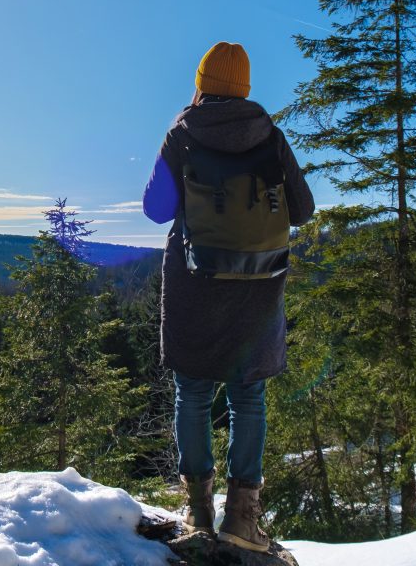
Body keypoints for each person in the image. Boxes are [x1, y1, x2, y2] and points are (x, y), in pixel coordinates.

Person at [143, 41, 314, 551]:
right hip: (259, 286)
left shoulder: (183, 132)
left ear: (202, 83)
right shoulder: (270, 135)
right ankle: (242, 520)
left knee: (192, 393)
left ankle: (197, 513)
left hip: (197, 284)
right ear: (244, 87)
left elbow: (156, 208)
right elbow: (302, 209)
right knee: (249, 396)